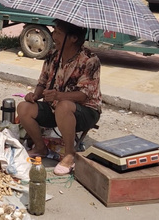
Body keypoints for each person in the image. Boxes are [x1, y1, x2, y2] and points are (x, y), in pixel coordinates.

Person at [17, 19, 101, 176]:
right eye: (54, 31)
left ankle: (70, 154)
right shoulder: (53, 55)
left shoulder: (90, 60)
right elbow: (42, 82)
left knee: (64, 105)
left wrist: (58, 95)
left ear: (73, 38)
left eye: (58, 33)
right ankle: (40, 147)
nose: (53, 36)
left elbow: (84, 95)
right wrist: (35, 95)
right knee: (24, 107)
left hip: (85, 111)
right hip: (54, 107)